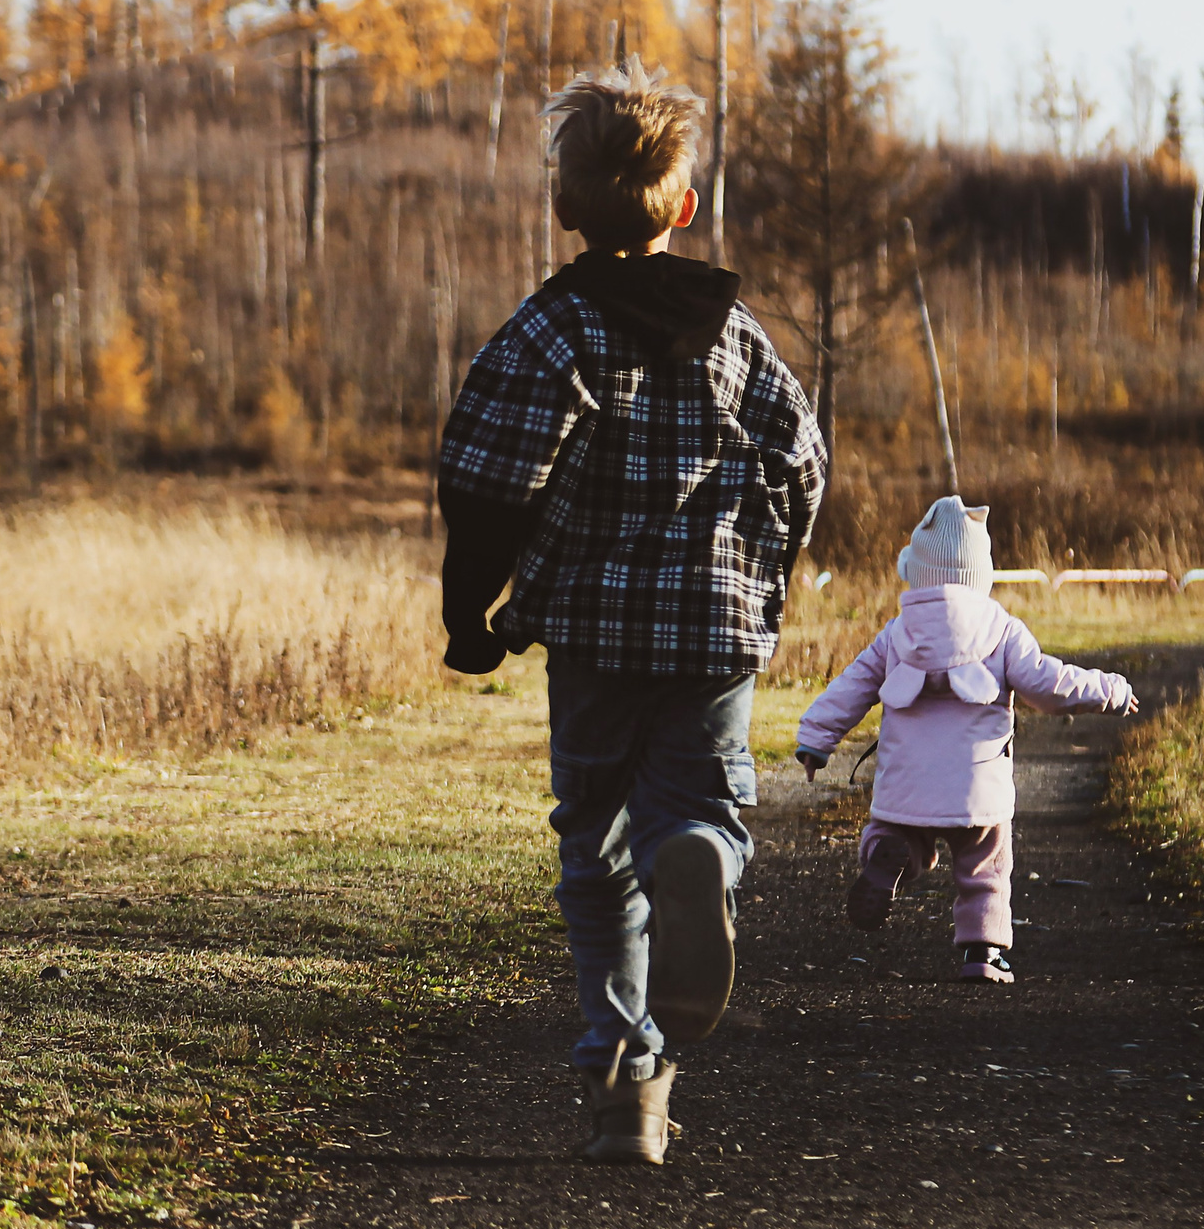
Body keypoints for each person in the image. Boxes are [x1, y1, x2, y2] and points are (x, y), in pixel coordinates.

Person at [435, 58, 829, 1166]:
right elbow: (801, 461)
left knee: (595, 844)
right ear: (684, 207)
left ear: (563, 207)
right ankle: (699, 848)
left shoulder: (548, 333)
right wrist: (763, 576)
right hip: (714, 630)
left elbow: (485, 481)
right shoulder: (733, 331)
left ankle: (623, 1072)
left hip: (596, 634)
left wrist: (472, 613)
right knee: (694, 804)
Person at [794, 497, 1137, 983]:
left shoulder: (897, 633)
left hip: (906, 785)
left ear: (918, 570)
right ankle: (983, 954)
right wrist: (1111, 690)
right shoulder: (1001, 629)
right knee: (986, 866)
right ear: (982, 573)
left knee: (898, 835)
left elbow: (853, 685)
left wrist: (815, 739)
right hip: (978, 788)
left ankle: (888, 855)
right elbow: (1047, 684)